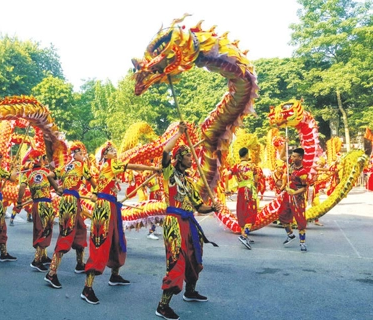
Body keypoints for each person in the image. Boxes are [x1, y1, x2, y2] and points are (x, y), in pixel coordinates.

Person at [80, 141, 159, 305]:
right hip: (105, 209)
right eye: (110, 150)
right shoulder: (111, 164)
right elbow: (132, 166)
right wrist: (154, 169)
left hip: (111, 207)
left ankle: (115, 275)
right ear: (105, 155)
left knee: (118, 241)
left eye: (114, 149)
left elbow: (97, 192)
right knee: (100, 244)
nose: (114, 151)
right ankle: (87, 289)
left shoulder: (106, 170)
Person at [155, 123, 219, 320]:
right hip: (174, 222)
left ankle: (190, 291)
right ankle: (162, 306)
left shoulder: (189, 182)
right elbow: (165, 150)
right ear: (179, 158)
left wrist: (213, 208)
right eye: (188, 155)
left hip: (189, 223)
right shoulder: (168, 173)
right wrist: (180, 134)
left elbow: (199, 207)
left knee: (194, 259)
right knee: (176, 261)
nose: (192, 158)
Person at [44, 141, 97, 289]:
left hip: (68, 201)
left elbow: (49, 175)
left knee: (81, 229)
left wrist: (58, 189)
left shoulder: (66, 167)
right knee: (66, 236)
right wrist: (99, 194)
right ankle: (51, 273)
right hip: (71, 203)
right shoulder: (81, 166)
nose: (83, 156)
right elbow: (93, 183)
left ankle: (80, 264)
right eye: (81, 153)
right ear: (75, 154)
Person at [15, 150, 63, 272]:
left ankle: (43, 256)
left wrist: (19, 202)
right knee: (45, 231)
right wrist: (60, 189)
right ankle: (36, 260)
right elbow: (56, 187)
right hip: (46, 204)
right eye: (44, 158)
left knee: (38, 230)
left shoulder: (27, 174)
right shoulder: (47, 172)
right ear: (41, 160)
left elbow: (21, 187)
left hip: (36, 205)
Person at [224, 147, 260, 249]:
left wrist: (227, 188)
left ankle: (245, 234)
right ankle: (244, 236)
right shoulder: (252, 166)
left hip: (241, 190)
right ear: (247, 155)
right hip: (249, 190)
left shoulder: (236, 166)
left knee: (242, 211)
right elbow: (256, 181)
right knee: (251, 213)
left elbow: (226, 174)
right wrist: (255, 189)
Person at [279, 148, 309, 252]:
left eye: (295, 156)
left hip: (298, 198)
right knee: (282, 215)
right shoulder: (291, 165)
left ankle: (302, 243)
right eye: (292, 156)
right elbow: (281, 157)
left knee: (300, 220)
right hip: (288, 196)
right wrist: (284, 144)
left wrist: (294, 193)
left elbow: (304, 188)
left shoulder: (303, 172)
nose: (292, 158)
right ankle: (290, 234)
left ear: (300, 158)